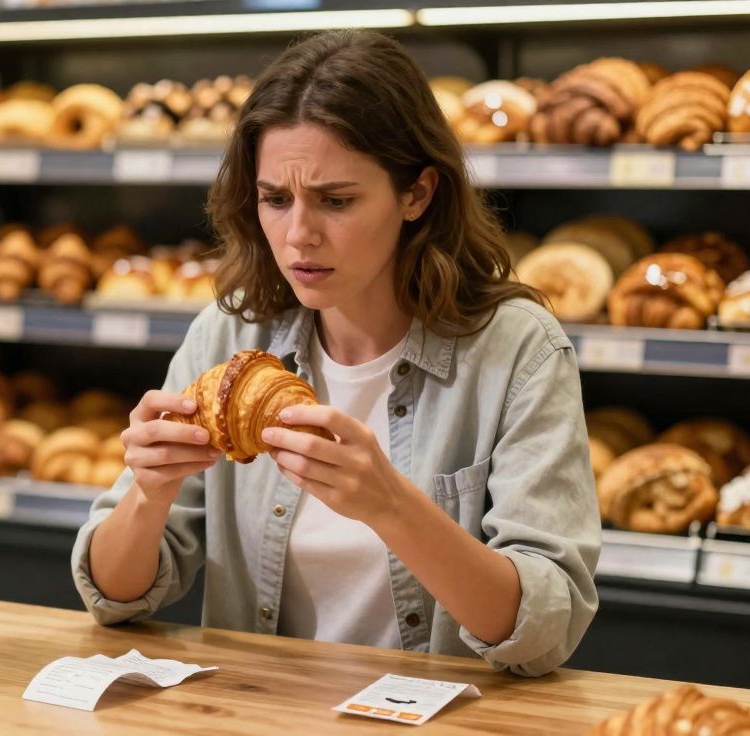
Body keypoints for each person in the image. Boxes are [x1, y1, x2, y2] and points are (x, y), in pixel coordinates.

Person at [71, 29, 599, 677]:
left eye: (336, 201)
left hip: (442, 718)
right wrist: (149, 494)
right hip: (256, 712)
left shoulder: (518, 350)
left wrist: (391, 506)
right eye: (275, 199)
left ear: (417, 193)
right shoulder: (228, 337)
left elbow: (545, 631)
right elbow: (113, 598)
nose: (299, 235)